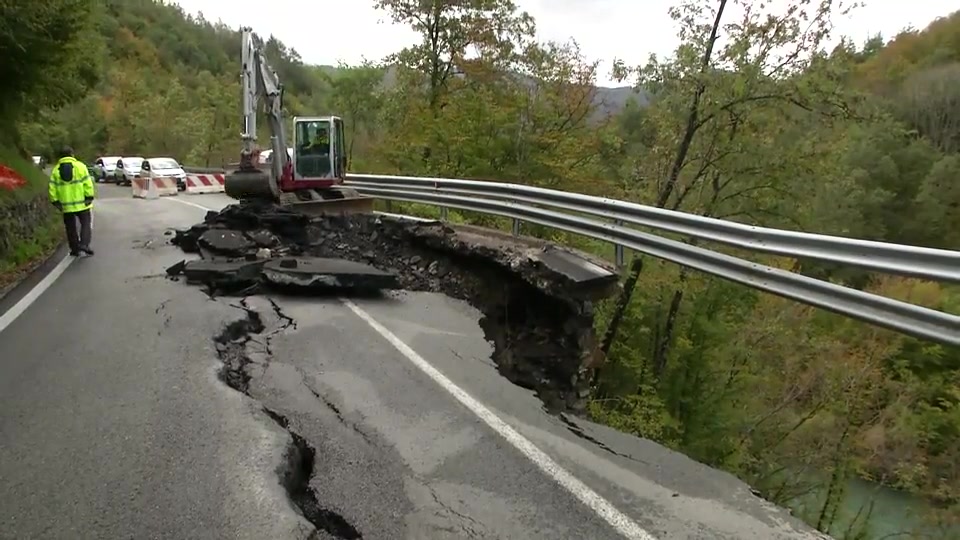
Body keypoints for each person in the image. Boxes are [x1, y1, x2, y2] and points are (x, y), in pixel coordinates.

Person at [49, 146, 95, 256]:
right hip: (82, 203)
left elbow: (52, 187)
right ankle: (84, 244)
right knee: (85, 224)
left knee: (70, 227)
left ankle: (74, 249)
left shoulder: (56, 170)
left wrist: (55, 201)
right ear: (72, 154)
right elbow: (87, 183)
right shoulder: (80, 167)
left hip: (66, 205)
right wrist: (89, 196)